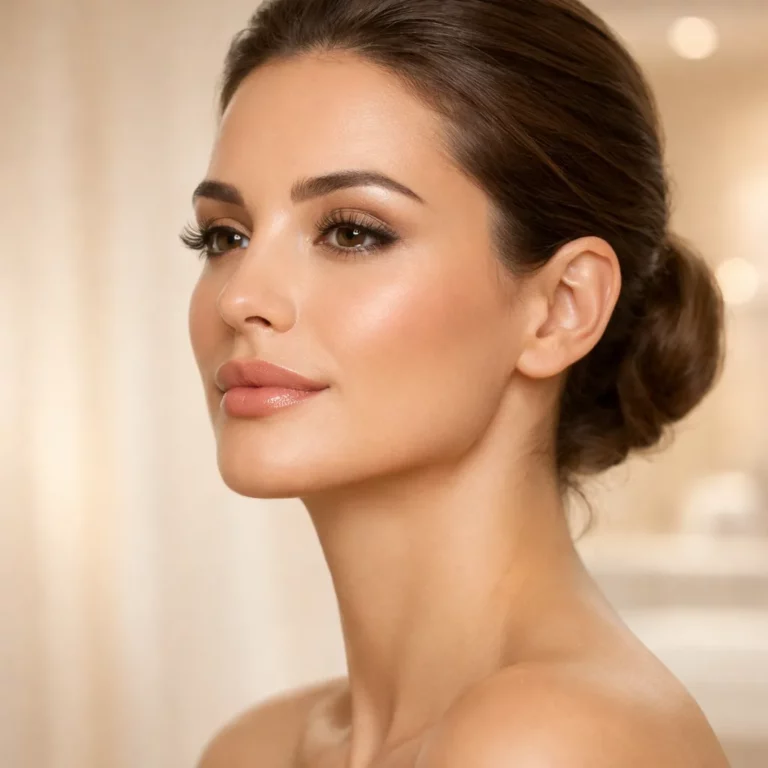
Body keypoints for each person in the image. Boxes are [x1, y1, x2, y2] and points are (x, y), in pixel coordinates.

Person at [181, 0, 729, 765]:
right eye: (225, 236)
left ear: (561, 309)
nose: (241, 297)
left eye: (352, 232)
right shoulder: (255, 749)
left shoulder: (555, 741)